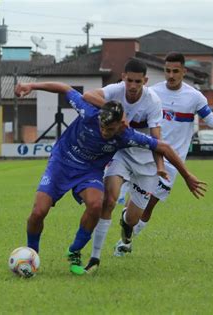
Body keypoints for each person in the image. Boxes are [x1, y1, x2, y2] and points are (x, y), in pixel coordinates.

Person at [14, 81, 207, 275]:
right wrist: (31, 85)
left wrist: (186, 175)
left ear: (120, 126)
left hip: (89, 171)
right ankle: (32, 254)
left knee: (97, 205)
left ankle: (74, 251)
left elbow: (163, 147)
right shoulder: (87, 112)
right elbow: (65, 88)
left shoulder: (126, 136)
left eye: (110, 129)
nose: (105, 132)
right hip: (61, 164)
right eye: (103, 127)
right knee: (39, 211)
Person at [85, 52, 213, 271]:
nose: (171, 75)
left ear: (184, 71)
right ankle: (99, 252)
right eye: (167, 71)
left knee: (145, 208)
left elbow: (209, 117)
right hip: (140, 151)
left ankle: (128, 232)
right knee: (111, 198)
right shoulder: (153, 93)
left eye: (175, 71)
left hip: (170, 162)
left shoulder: (195, 97)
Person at [82, 58, 169, 270]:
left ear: (145, 81)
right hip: (120, 154)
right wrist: (114, 110)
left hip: (146, 163)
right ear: (123, 78)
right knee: (109, 200)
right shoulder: (115, 90)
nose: (132, 86)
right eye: (129, 80)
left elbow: (157, 139)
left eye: (138, 82)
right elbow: (87, 95)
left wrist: (160, 166)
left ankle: (126, 224)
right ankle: (95, 258)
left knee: (132, 218)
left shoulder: (153, 101)